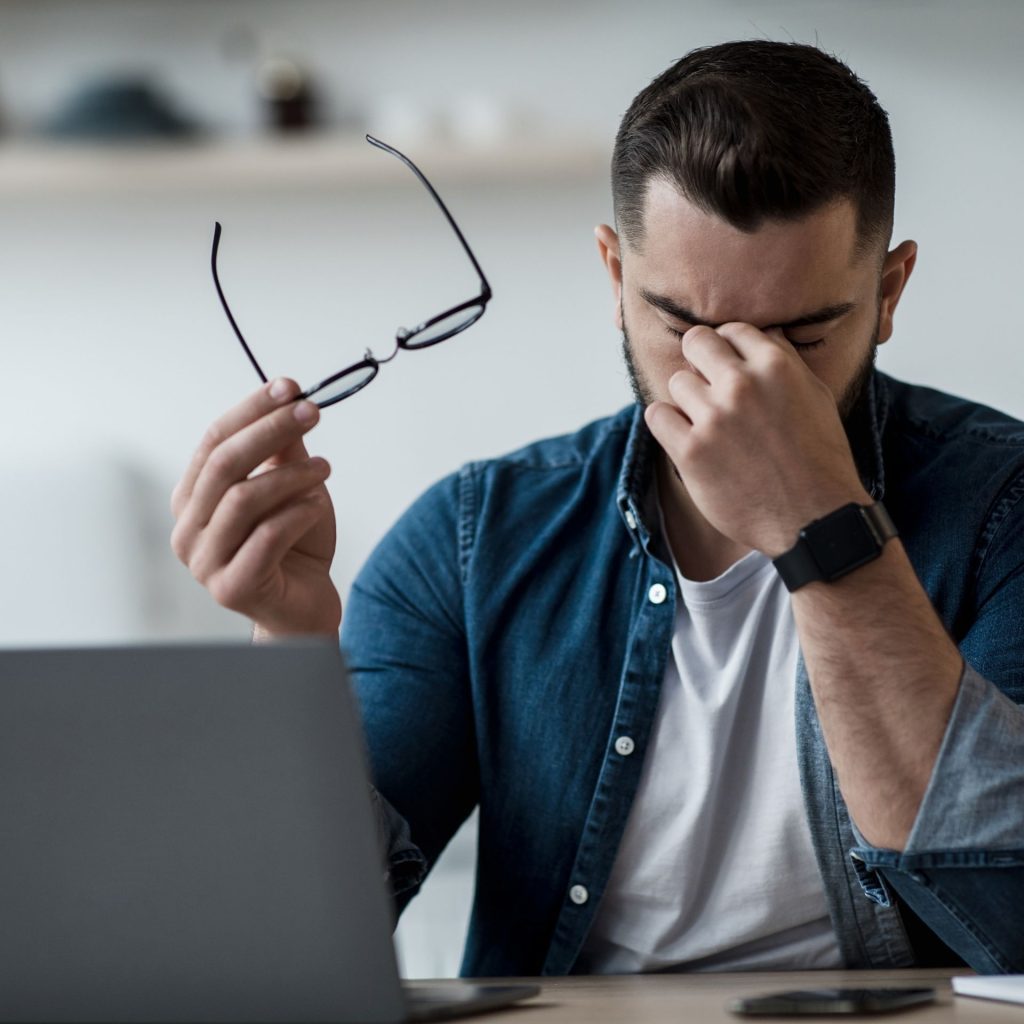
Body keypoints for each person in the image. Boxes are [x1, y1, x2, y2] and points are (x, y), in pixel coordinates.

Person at [171, 40, 1024, 976]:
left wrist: (820, 525)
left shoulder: (1002, 509)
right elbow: (287, 946)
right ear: (615, 279)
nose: (733, 381)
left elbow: (1008, 914)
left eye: (801, 337)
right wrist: (289, 643)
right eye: (684, 326)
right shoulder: (473, 541)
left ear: (889, 292)